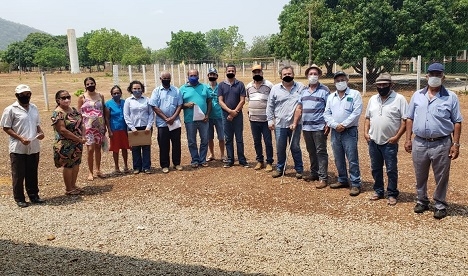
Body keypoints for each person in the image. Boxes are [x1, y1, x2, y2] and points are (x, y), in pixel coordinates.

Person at [404, 62, 462, 219]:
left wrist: (455, 144)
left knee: (441, 175)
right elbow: (409, 118)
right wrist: (408, 139)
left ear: (443, 76)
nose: (435, 77)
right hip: (420, 142)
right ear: (426, 76)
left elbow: (457, 122)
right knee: (420, 174)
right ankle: (422, 200)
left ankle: (440, 204)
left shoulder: (451, 97)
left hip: (442, 143)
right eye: (432, 74)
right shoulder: (417, 95)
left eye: (438, 74)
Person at [364, 73, 408, 205]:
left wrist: (397, 137)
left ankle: (392, 193)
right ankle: (378, 190)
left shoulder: (399, 99)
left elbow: (405, 120)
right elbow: (367, 118)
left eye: (384, 85)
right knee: (376, 168)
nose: (381, 87)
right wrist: (366, 133)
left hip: (390, 142)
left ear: (391, 85)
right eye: (379, 85)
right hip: (373, 141)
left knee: (391, 169)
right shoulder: (372, 99)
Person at [1, 84, 45, 208]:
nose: (25, 96)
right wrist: (20, 138)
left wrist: (40, 133)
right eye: (22, 95)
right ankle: (19, 198)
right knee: (18, 174)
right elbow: (6, 127)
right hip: (18, 147)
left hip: (33, 146)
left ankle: (34, 196)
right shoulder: (10, 109)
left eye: (27, 94)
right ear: (17, 95)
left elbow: (37, 124)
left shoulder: (34, 107)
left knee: (32, 172)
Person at [323, 71, 363, 196]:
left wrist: (344, 125)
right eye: (337, 80)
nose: (340, 82)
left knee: (352, 158)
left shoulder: (354, 94)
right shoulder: (331, 97)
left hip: (349, 131)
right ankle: (342, 179)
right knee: (338, 157)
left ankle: (355, 183)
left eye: (342, 79)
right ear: (334, 82)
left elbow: (356, 112)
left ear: (347, 80)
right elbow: (326, 113)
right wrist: (335, 125)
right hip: (335, 131)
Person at [293, 64, 330, 188]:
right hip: (306, 127)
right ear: (307, 76)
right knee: (311, 151)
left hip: (319, 127)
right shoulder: (303, 91)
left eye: (315, 74)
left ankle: (323, 177)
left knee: (321, 151)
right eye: (311, 74)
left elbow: (329, 109)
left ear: (319, 75)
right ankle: (314, 173)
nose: (313, 76)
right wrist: (295, 122)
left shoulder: (324, 90)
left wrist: (328, 124)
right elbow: (299, 108)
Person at [266, 65, 304, 179]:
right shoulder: (275, 88)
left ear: (293, 75)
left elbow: (301, 105)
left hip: (295, 124)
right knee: (280, 147)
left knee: (295, 147)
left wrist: (296, 121)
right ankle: (280, 168)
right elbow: (270, 105)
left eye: (289, 74)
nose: (287, 76)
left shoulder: (301, 87)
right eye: (285, 74)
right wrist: (269, 120)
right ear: (281, 76)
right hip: (279, 124)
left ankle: (299, 169)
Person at [51, 90, 87, 195]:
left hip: (77, 143)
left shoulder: (73, 110)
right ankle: (68, 188)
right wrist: (79, 139)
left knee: (76, 164)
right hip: (65, 144)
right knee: (68, 165)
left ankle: (73, 185)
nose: (67, 99)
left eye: (68, 97)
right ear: (58, 100)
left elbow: (81, 123)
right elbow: (62, 130)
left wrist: (83, 136)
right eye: (63, 98)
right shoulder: (58, 113)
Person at [149, 71, 183, 173]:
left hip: (175, 122)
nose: (166, 80)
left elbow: (179, 105)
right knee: (163, 144)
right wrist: (165, 118)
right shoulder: (156, 91)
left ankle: (176, 163)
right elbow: (154, 106)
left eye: (168, 78)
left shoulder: (176, 90)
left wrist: (173, 117)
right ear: (160, 79)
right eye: (164, 78)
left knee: (176, 144)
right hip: (162, 123)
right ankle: (165, 165)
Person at [77, 77, 110, 181]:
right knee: (90, 149)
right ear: (85, 86)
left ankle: (98, 170)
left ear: (95, 84)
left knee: (98, 149)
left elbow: (103, 111)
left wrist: (105, 126)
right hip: (88, 127)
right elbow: (79, 114)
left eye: (92, 83)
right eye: (88, 84)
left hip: (99, 126)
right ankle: (90, 172)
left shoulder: (100, 96)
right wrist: (80, 128)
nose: (90, 85)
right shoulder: (82, 97)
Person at [179, 69, 212, 168]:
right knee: (192, 141)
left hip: (203, 119)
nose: (193, 77)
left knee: (205, 139)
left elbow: (209, 101)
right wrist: (186, 105)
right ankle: (195, 159)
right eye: (191, 75)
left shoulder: (204, 87)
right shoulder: (182, 89)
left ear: (198, 76)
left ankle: (202, 159)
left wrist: (207, 115)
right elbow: (179, 105)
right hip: (190, 120)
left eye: (195, 75)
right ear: (187, 77)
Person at [218, 64, 248, 168]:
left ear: (235, 72)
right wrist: (230, 111)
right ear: (225, 72)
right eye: (229, 71)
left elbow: (242, 100)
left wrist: (235, 112)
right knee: (228, 138)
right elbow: (220, 101)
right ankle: (230, 159)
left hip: (238, 115)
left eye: (232, 71)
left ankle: (242, 160)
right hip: (225, 115)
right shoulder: (221, 85)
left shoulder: (240, 84)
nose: (230, 72)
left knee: (239, 138)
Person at [246, 64, 274, 172]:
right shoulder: (248, 86)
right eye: (255, 72)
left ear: (262, 72)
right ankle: (260, 161)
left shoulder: (269, 85)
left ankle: (269, 162)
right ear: (252, 74)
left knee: (268, 142)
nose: (257, 74)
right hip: (253, 119)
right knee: (256, 141)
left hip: (266, 120)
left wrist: (272, 118)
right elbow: (249, 100)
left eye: (259, 72)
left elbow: (272, 102)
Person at [123, 80, 155, 174]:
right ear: (131, 90)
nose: (137, 90)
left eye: (139, 88)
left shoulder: (147, 100)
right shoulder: (128, 101)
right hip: (134, 127)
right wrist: (132, 128)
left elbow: (151, 114)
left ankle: (146, 167)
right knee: (135, 148)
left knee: (146, 147)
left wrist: (149, 126)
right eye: (134, 89)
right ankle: (137, 167)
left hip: (145, 127)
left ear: (142, 89)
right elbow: (126, 115)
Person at [105, 85, 130, 175]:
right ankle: (116, 167)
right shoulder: (108, 104)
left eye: (118, 93)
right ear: (111, 94)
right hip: (114, 129)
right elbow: (107, 118)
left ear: (121, 93)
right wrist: (109, 130)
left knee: (124, 147)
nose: (116, 94)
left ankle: (126, 165)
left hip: (124, 128)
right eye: (114, 93)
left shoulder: (125, 102)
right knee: (115, 149)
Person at [206, 68, 226, 162]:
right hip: (209, 116)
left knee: (221, 137)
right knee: (209, 137)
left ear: (217, 76)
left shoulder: (221, 87)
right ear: (208, 76)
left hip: (219, 116)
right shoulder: (205, 88)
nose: (212, 76)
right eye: (210, 74)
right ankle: (212, 154)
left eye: (214, 75)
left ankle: (222, 154)